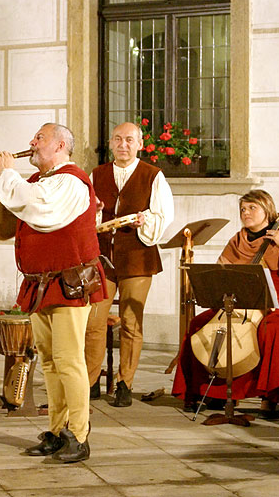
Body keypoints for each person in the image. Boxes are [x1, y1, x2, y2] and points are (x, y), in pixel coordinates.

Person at [0, 123, 106, 463]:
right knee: (49, 362)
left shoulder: (71, 180)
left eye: (40, 138)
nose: (31, 143)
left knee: (69, 360)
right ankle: (57, 430)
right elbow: (1, 227)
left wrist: (8, 173)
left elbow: (40, 208)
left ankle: (79, 435)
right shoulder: (34, 182)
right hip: (41, 284)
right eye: (33, 138)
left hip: (69, 282)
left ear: (61, 145)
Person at [172, 189, 279, 418]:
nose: (245, 213)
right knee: (199, 324)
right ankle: (204, 392)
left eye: (252, 208)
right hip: (240, 300)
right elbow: (222, 270)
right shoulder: (237, 239)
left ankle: (272, 396)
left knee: (274, 329)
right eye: (242, 209)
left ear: (267, 210)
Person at [84, 122, 174, 407]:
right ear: (111, 143)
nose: (123, 145)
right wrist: (97, 214)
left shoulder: (153, 175)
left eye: (129, 140)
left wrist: (145, 222)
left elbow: (163, 214)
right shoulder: (96, 174)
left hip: (137, 256)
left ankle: (125, 383)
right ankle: (90, 381)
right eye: (118, 140)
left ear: (140, 144)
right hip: (103, 258)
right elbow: (84, 212)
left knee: (131, 323)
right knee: (94, 323)